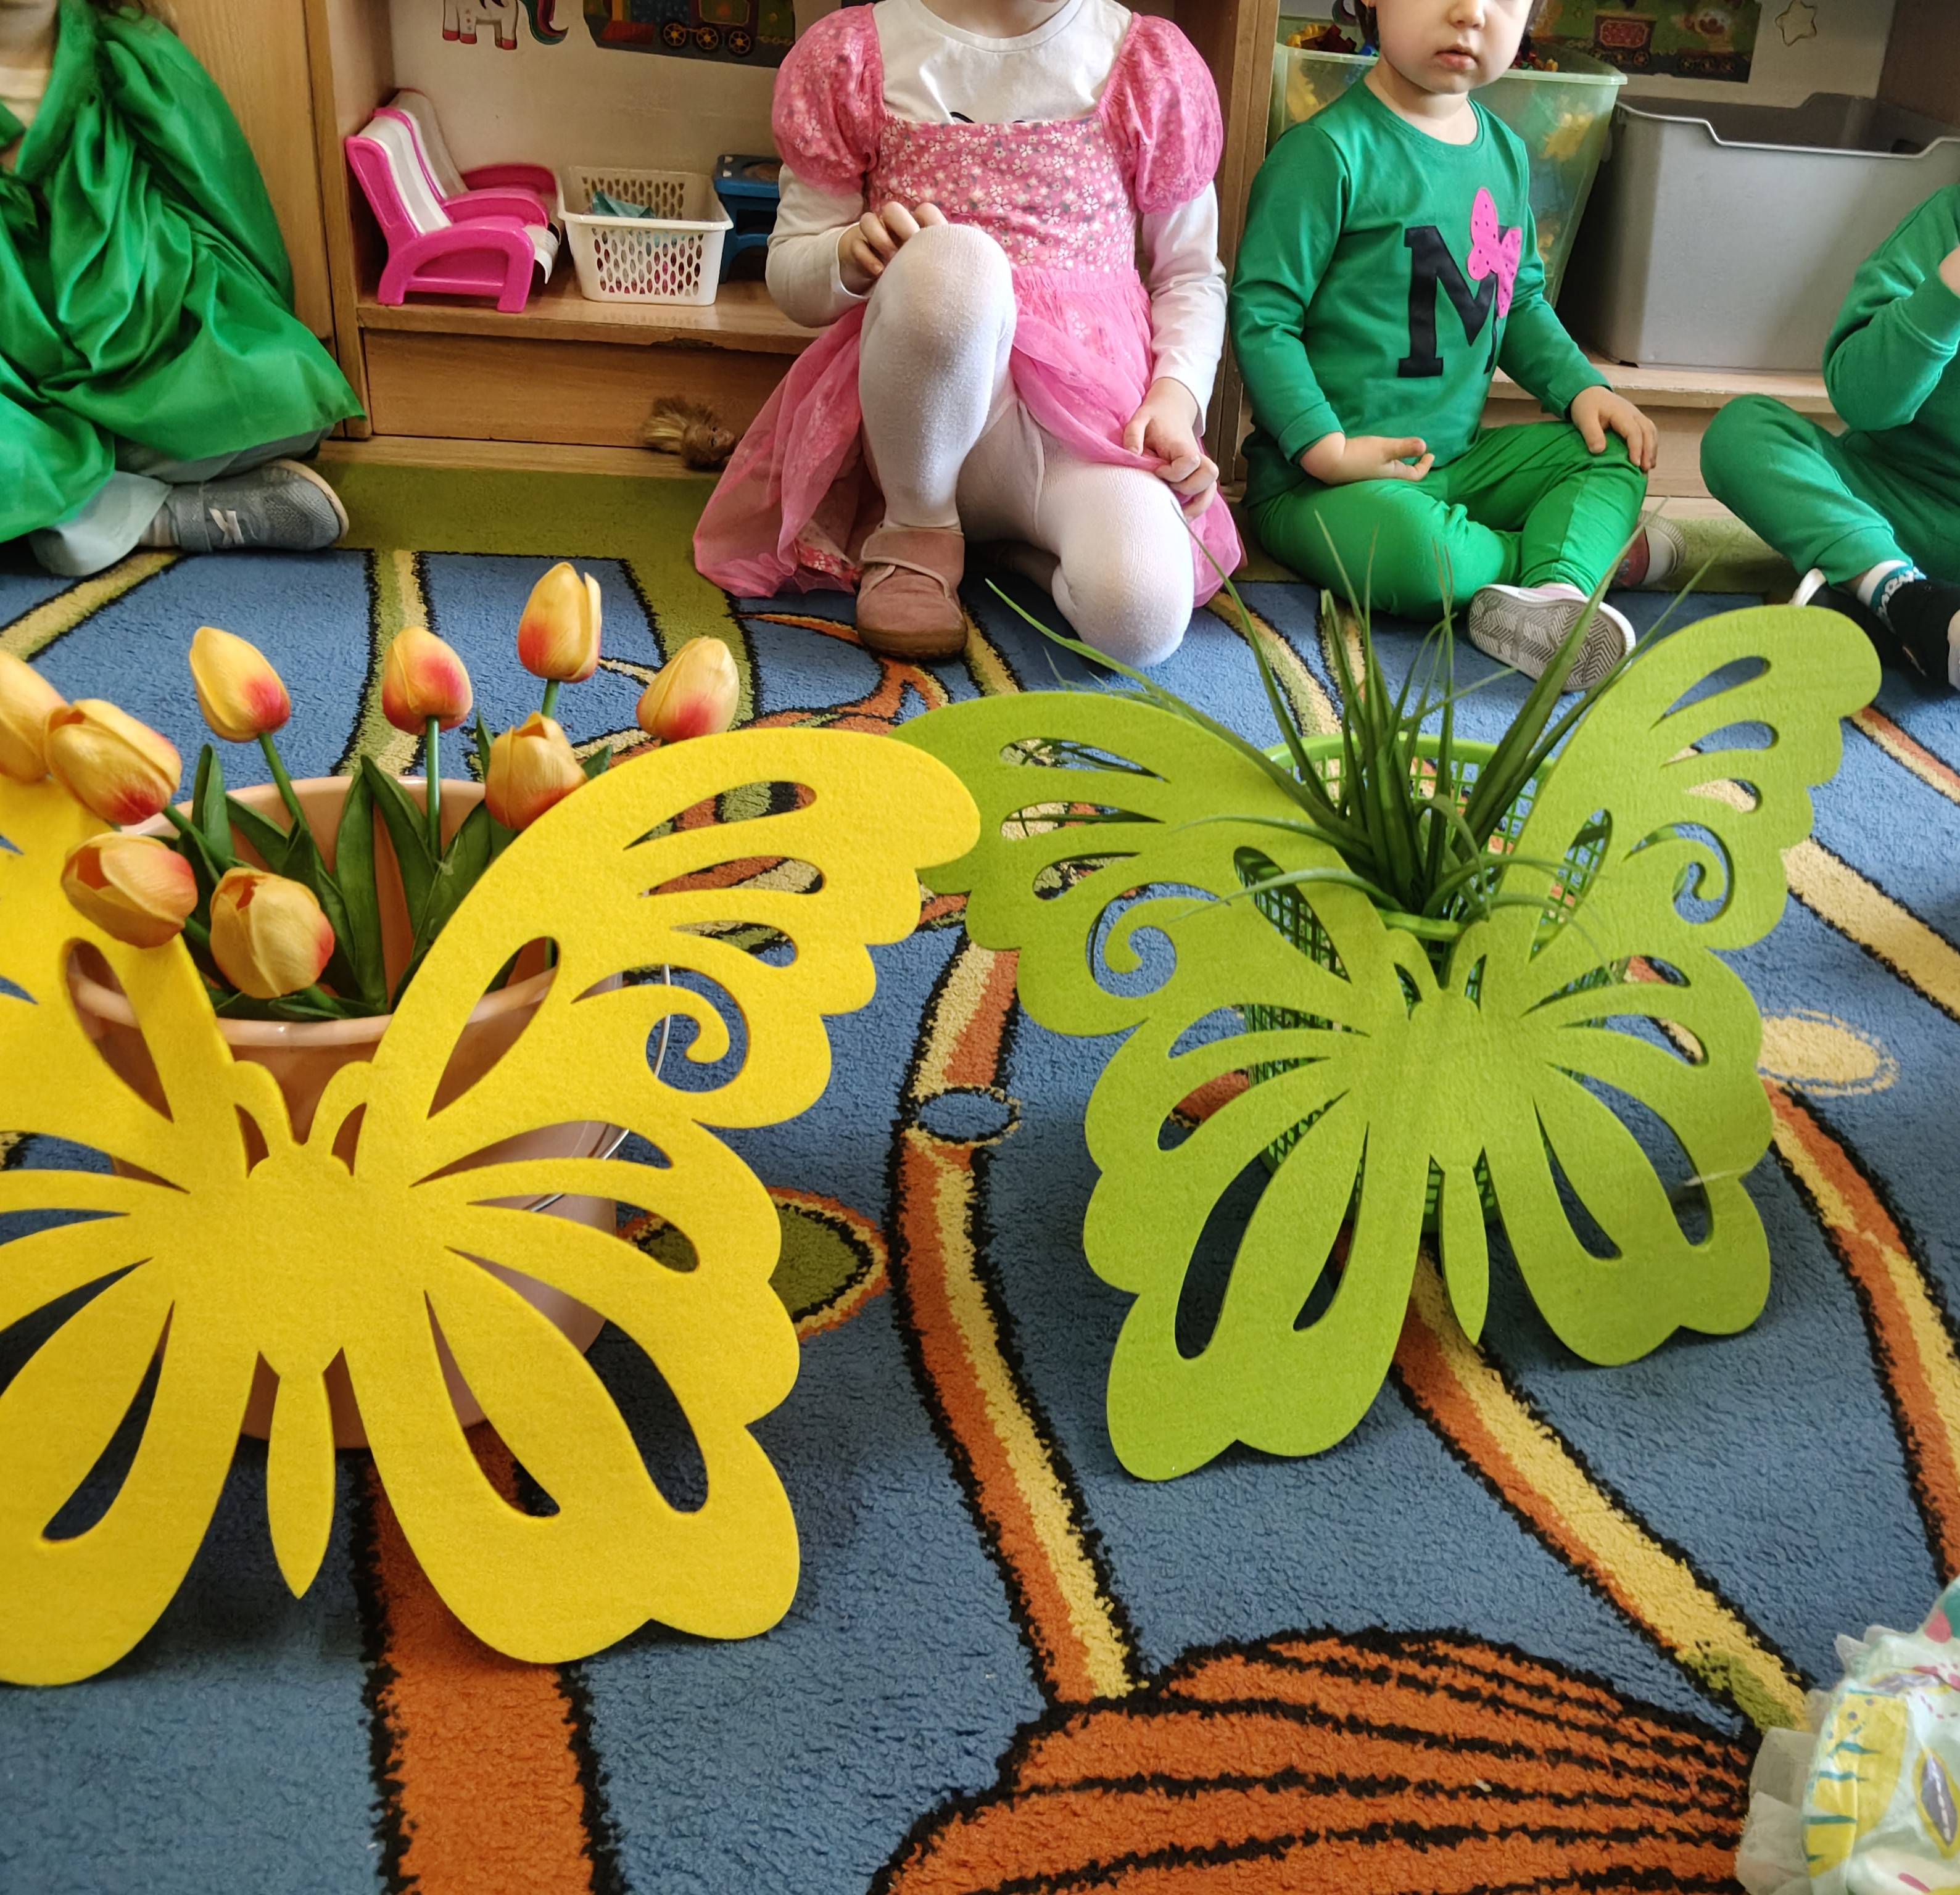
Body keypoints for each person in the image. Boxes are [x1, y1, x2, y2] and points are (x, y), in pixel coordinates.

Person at [692, 0, 1242, 667]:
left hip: (1085, 424)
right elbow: (791, 274)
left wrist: (1176, 398)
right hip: (916, 432)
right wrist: (846, 256)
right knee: (956, 261)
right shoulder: (857, 54)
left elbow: (1190, 274)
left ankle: (1009, 552)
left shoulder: (1148, 68)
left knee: (1141, 619)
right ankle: (917, 537)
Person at [1230, 0, 1668, 688]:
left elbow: (1519, 301)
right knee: (1422, 556)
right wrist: (1326, 449)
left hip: (1458, 461)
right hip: (1322, 485)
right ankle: (1575, 558)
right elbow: (1264, 315)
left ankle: (1556, 589)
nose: (1470, 13)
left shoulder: (1505, 153)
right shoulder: (1326, 152)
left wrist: (1582, 387)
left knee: (1611, 449)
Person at [1, 0, 360, 579]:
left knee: (286, 395)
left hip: (139, 343)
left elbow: (223, 207)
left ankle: (76, 504)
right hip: (13, 386)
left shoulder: (128, 53)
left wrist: (221, 320)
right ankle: (144, 516)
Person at [1702, 186, 1960, 692]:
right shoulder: (1946, 220)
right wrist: (1948, 290)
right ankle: (1903, 599)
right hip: (1887, 502)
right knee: (1742, 432)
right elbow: (1863, 400)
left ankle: (1878, 605)